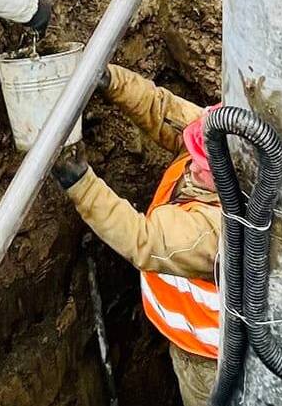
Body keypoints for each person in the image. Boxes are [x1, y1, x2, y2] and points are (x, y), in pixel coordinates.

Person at [51, 65, 221, 406]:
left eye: (205, 166)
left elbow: (140, 238)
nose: (193, 165)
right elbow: (164, 111)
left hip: (209, 361)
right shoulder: (219, 142)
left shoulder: (215, 231)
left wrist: (80, 183)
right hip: (184, 340)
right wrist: (111, 80)